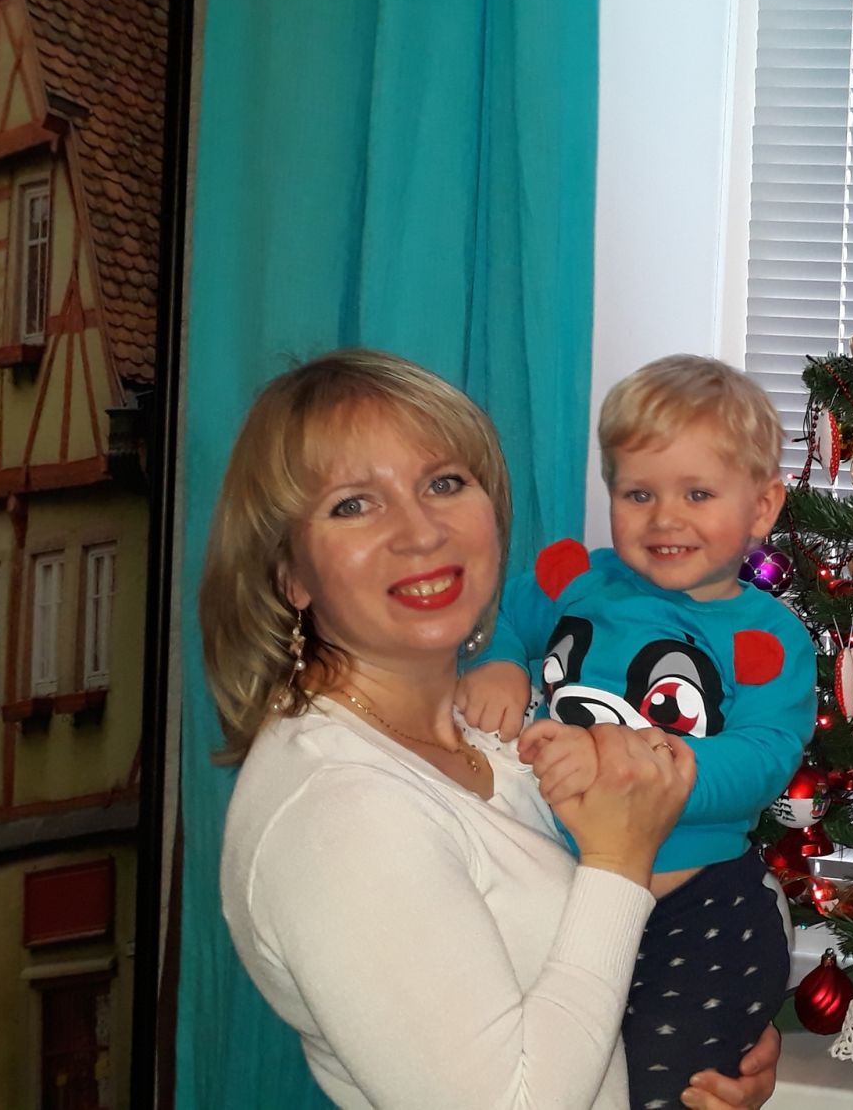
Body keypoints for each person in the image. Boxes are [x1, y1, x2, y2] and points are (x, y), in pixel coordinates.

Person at [205, 349, 780, 1110]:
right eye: (353, 504)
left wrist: (699, 1053)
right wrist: (619, 858)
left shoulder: (496, 722)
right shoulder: (337, 813)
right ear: (291, 574)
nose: (421, 532)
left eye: (445, 482)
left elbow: (576, 980)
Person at [455, 354, 813, 1110]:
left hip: (700, 914)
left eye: (698, 493)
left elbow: (762, 758)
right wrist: (499, 663)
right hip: (563, 896)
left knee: (655, 1096)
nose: (664, 518)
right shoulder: (578, 577)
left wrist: (620, 760)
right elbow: (498, 617)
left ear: (762, 507)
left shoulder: (769, 634)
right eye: (638, 493)